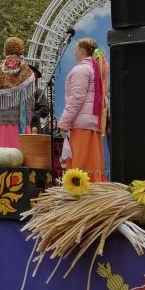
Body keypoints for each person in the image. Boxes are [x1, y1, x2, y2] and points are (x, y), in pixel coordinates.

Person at [58, 37, 108, 182]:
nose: (74, 52)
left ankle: (79, 198)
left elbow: (76, 99)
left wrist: (64, 123)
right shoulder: (96, 69)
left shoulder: (81, 69)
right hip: (93, 123)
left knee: (80, 165)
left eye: (75, 48)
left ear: (82, 50)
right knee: (93, 164)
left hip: (81, 125)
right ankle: (93, 197)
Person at [0, 37, 36, 149]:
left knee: (3, 151)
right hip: (20, 116)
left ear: (6, 49)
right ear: (21, 49)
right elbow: (31, 97)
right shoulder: (25, 69)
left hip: (3, 115)